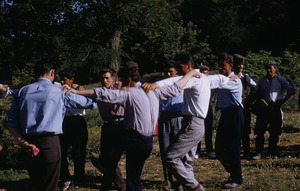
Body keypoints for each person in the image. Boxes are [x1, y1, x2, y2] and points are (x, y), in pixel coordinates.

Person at [64, 64, 198, 191]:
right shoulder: (154, 91)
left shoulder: (130, 93)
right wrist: (191, 73)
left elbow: (104, 93)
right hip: (148, 142)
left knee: (132, 180)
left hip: (135, 140)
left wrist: (76, 92)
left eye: (122, 80)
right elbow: (176, 87)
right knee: (134, 177)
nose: (120, 83)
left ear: (128, 80)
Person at [145, 52, 235, 191]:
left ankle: (195, 187)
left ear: (188, 66)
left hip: (191, 125)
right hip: (196, 124)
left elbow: (173, 83)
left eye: (180, 67)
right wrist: (229, 79)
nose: (179, 70)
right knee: (186, 162)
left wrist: (156, 85)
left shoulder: (193, 78)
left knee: (170, 157)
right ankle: (187, 188)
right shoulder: (204, 78)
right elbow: (218, 79)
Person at [7, 60, 97, 191]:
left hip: (28, 143)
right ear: (52, 72)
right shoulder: (59, 91)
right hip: (50, 143)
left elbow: (12, 123)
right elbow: (90, 103)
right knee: (50, 186)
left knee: (36, 184)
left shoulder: (22, 92)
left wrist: (23, 143)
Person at [90, 68, 126, 191]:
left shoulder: (120, 89)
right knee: (106, 159)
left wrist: (119, 85)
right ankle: (121, 184)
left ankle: (110, 186)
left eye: (107, 78)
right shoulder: (100, 92)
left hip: (120, 124)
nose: (104, 81)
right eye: (102, 78)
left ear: (112, 79)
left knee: (113, 158)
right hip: (107, 125)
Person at [251, 61, 295, 160]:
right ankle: (258, 153)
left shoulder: (280, 79)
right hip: (264, 108)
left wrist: (281, 102)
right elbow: (255, 92)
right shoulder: (262, 80)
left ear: (275, 68)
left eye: (270, 68)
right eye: (267, 68)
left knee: (274, 132)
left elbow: (291, 90)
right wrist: (260, 99)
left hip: (275, 107)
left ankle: (272, 153)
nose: (268, 70)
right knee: (260, 131)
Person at [215, 53, 244, 189]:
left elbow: (219, 86)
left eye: (223, 66)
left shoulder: (234, 80)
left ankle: (237, 178)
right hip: (226, 114)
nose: (220, 68)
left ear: (230, 66)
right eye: (219, 66)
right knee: (219, 149)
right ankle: (234, 171)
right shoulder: (224, 79)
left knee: (233, 147)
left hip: (235, 113)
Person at [58, 69, 88, 190]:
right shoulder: (59, 88)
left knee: (79, 152)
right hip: (64, 122)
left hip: (78, 122)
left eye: (64, 79)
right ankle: (65, 177)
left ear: (71, 80)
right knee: (62, 151)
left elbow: (83, 93)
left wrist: (74, 90)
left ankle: (79, 178)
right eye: (61, 79)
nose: (62, 81)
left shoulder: (79, 89)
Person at [157, 60, 184, 190]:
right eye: (166, 71)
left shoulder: (183, 81)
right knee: (165, 148)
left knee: (179, 148)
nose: (168, 74)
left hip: (179, 116)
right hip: (164, 117)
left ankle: (181, 180)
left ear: (177, 71)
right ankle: (168, 179)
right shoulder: (160, 82)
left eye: (171, 71)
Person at [233, 54, 256, 158]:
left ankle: (246, 151)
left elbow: (255, 87)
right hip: (233, 106)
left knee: (245, 128)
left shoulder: (245, 77)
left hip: (244, 105)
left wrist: (249, 98)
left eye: (242, 64)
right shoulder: (231, 76)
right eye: (239, 64)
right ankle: (234, 150)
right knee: (233, 128)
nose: (241, 67)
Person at [195, 65, 216, 159]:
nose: (204, 74)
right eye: (202, 72)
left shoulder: (211, 83)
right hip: (198, 108)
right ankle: (196, 151)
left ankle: (209, 150)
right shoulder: (196, 83)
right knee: (198, 129)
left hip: (208, 108)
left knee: (208, 130)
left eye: (206, 72)